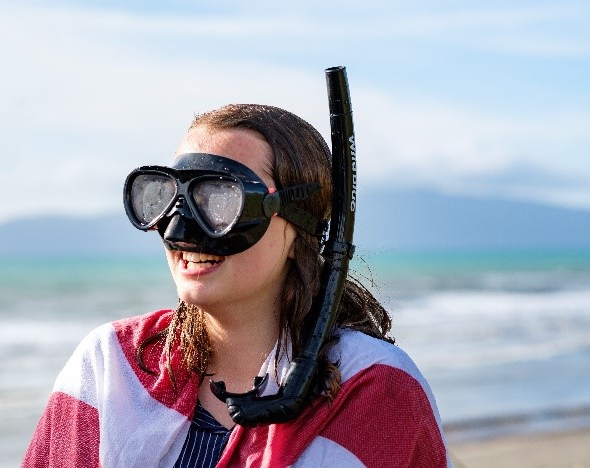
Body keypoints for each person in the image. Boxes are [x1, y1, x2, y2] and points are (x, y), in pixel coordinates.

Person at [22, 104, 450, 467]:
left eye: (220, 200)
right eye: (167, 196)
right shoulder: (112, 367)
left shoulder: (374, 387)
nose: (180, 230)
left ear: (298, 225)